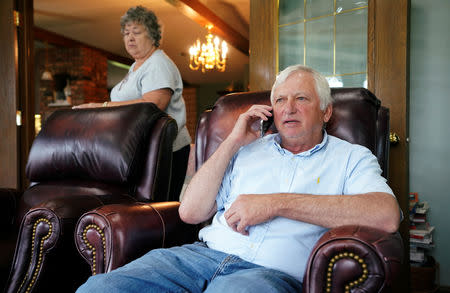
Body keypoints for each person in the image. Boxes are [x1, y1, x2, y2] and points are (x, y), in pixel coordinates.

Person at [76, 65, 401, 293]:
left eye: (301, 98)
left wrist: (275, 204)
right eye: (280, 100)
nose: (288, 108)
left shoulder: (351, 158)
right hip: (198, 258)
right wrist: (231, 142)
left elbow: (385, 215)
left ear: (326, 112)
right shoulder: (247, 151)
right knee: (100, 288)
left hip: (270, 275)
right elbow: (190, 212)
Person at [73, 6, 191, 202]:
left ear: (153, 36)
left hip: (164, 151)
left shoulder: (158, 63)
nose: (130, 38)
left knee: (157, 208)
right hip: (138, 149)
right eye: (126, 33)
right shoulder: (136, 66)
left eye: (136, 32)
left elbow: (153, 105)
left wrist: (101, 107)